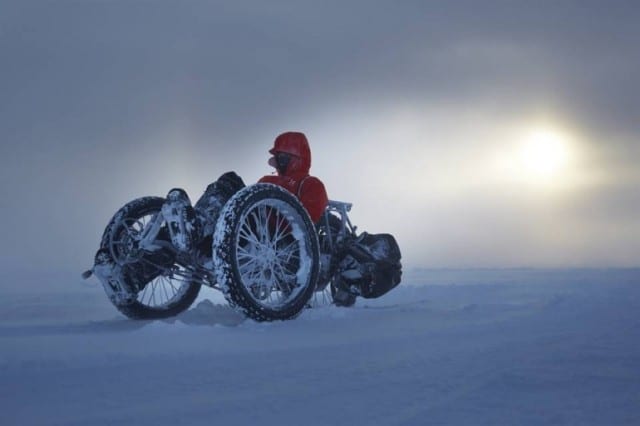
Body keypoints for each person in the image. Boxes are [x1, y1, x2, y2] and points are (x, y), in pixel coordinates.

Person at [162, 131, 328, 253]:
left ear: (297, 159)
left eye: (283, 158)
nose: (278, 162)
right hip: (245, 222)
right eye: (277, 158)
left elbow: (306, 221)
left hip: (268, 232)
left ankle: (196, 226)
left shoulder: (310, 183)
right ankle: (152, 254)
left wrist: (274, 217)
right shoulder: (267, 180)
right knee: (228, 182)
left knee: (230, 181)